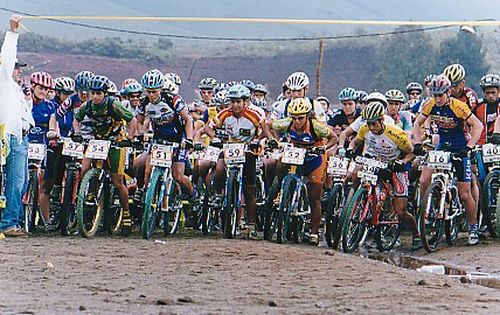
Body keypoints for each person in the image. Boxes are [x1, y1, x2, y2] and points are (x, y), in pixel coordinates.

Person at [412, 74, 483, 245]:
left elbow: (478, 125)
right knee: (423, 180)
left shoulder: (459, 107)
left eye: (440, 95)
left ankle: (473, 227)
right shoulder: (430, 105)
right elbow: (417, 124)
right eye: (434, 95)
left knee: (465, 194)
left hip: (460, 146)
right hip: (442, 145)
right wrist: (417, 142)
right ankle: (427, 212)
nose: (437, 99)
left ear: (448, 92)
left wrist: (470, 146)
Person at [195, 84, 271, 238]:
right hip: (229, 148)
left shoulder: (255, 114)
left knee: (249, 191)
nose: (235, 105)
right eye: (233, 102)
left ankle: (251, 225)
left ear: (245, 102)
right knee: (220, 168)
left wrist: (259, 140)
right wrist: (214, 138)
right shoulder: (224, 114)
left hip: (248, 150)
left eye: (238, 102)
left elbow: (265, 132)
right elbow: (209, 127)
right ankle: (218, 193)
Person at [346, 102, 421, 250]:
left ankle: (416, 234)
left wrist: (403, 162)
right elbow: (355, 142)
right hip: (376, 162)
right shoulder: (365, 129)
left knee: (401, 211)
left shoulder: (396, 134)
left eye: (374, 123)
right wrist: (350, 149)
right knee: (355, 173)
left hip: (395, 166)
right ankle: (357, 201)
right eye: (369, 123)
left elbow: (412, 152)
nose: (372, 127)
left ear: (381, 120)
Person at [73, 75, 137, 235]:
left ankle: (127, 214)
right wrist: (77, 133)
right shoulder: (87, 106)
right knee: (85, 168)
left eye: (98, 93)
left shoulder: (113, 105)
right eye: (92, 93)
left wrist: (129, 138)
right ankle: (90, 196)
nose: (95, 96)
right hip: (98, 140)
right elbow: (77, 120)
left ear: (105, 94)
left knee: (117, 181)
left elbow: (132, 120)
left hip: (116, 141)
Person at [270, 97, 337, 245]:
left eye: (300, 118)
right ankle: (282, 189)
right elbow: (268, 125)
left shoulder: (317, 126)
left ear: (307, 116)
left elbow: (334, 138)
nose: (297, 121)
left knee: (314, 196)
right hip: (296, 154)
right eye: (294, 118)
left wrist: (323, 148)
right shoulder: (288, 123)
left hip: (315, 157)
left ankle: (313, 232)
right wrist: (275, 140)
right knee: (280, 162)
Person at [0, 15, 35, 237]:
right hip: (7, 135)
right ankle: (8, 222)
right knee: (10, 181)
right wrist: (13, 32)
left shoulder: (15, 89)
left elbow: (26, 116)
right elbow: (7, 56)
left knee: (19, 182)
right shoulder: (3, 79)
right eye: (16, 67)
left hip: (21, 137)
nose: (18, 70)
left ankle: (10, 222)